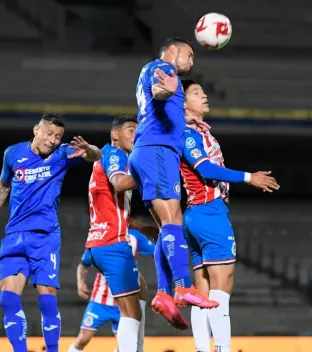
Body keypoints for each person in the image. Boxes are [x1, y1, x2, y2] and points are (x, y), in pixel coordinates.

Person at [0, 113, 101, 352]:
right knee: (8, 299)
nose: (53, 140)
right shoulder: (13, 154)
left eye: (58, 136)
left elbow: (95, 155)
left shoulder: (63, 154)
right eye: (50, 134)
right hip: (14, 235)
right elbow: (3, 185)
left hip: (45, 236)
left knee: (47, 300)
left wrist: (89, 149)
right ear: (36, 130)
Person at [179, 79, 280, 352]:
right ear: (182, 102)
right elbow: (208, 170)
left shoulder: (201, 132)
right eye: (196, 93)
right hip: (209, 213)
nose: (204, 95)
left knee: (202, 292)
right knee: (223, 287)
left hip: (196, 215)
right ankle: (222, 348)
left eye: (203, 91)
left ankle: (202, 349)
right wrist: (250, 177)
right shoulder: (188, 134)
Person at [129, 37, 217, 330]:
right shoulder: (161, 67)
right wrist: (165, 91)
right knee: (173, 221)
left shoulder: (154, 70)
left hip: (148, 152)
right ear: (173, 51)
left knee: (167, 226)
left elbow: (160, 102)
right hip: (157, 152)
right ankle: (182, 286)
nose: (192, 62)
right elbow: (158, 91)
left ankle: (165, 295)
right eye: (189, 55)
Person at [85, 115, 154, 352]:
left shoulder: (106, 157)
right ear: (115, 134)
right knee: (131, 313)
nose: (136, 135)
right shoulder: (114, 155)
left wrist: (143, 228)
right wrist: (150, 172)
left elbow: (113, 210)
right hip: (111, 244)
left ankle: (136, 349)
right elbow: (120, 183)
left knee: (141, 287)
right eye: (131, 130)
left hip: (102, 241)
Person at [68, 227, 156, 352]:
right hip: (99, 300)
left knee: (125, 344)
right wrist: (80, 283)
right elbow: (83, 264)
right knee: (83, 338)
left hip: (124, 301)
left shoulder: (134, 236)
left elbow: (155, 251)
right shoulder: (101, 235)